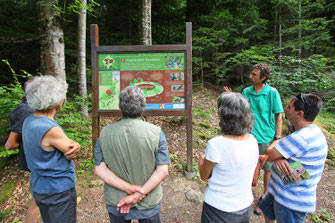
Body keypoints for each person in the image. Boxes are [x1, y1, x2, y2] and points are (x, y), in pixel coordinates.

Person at [94, 86, 170, 223]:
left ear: (120, 108)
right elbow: (163, 171)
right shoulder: (156, 133)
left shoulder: (104, 133)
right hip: (149, 201)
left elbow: (99, 169)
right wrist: (139, 193)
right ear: (144, 107)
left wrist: (130, 191)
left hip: (117, 200)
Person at [259, 93, 328, 223]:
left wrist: (277, 142)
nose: (285, 108)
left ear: (299, 114)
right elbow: (301, 169)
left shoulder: (300, 138)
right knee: (267, 213)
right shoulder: (313, 131)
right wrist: (279, 157)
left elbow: (268, 152)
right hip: (279, 190)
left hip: (291, 199)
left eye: (289, 107)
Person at [225, 63, 284, 215]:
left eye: (254, 75)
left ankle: (265, 196)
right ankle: (245, 195)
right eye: (250, 73)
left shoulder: (272, 93)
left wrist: (277, 137)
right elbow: (240, 110)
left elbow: (278, 115)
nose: (250, 76)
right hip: (247, 136)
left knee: (268, 169)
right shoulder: (247, 91)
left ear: (263, 77)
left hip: (266, 137)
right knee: (245, 166)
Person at [22, 75, 81, 223]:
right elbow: (71, 151)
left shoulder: (29, 121)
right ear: (58, 102)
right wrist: (77, 145)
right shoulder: (50, 129)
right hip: (57, 190)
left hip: (40, 186)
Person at [199, 92, 259, 223]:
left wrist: (202, 161)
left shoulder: (216, 144)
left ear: (223, 115)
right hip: (245, 205)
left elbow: (204, 175)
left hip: (219, 208)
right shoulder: (253, 140)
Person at [4, 78, 39, 223]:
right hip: (36, 163)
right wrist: (29, 145)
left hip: (37, 162)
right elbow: (10, 144)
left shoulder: (28, 108)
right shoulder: (25, 111)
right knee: (38, 200)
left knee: (39, 198)